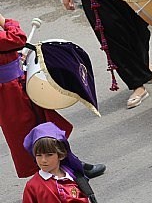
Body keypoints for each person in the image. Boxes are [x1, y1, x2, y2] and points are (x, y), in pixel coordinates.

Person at [0, 14, 105, 179]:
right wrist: (6, 21)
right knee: (29, 133)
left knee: (45, 125)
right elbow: (16, 37)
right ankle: (52, 176)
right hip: (9, 94)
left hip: (16, 85)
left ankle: (69, 165)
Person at [22, 122, 94, 203]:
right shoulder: (33, 186)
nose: (43, 160)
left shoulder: (75, 177)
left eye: (49, 155)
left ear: (61, 155)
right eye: (39, 155)